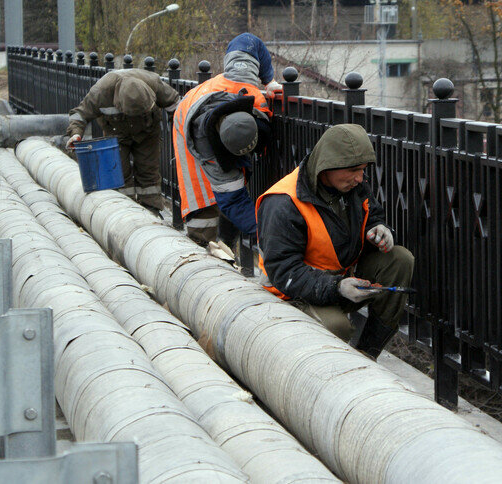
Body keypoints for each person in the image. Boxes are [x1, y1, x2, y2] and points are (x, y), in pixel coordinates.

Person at [256, 124, 415, 359]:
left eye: (362, 169)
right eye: (353, 170)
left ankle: (367, 355)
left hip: (341, 279)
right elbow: (284, 271)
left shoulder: (352, 183)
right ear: (326, 166)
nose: (360, 178)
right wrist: (336, 287)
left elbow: (373, 213)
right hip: (293, 293)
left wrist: (379, 228)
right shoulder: (283, 202)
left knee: (400, 259)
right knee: (336, 327)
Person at [172, 33, 276, 246]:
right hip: (190, 138)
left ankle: (226, 246)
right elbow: (234, 199)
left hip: (202, 123)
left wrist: (269, 80)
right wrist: (271, 238)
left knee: (228, 204)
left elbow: (249, 41)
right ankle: (205, 251)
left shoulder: (248, 95)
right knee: (205, 212)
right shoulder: (208, 146)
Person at [66, 68, 179, 211]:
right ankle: (125, 212)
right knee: (119, 176)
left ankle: (152, 211)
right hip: (116, 136)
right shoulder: (102, 92)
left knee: (149, 174)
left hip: (148, 132)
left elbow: (175, 105)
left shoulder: (153, 83)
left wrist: (178, 130)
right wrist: (76, 134)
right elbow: (79, 115)